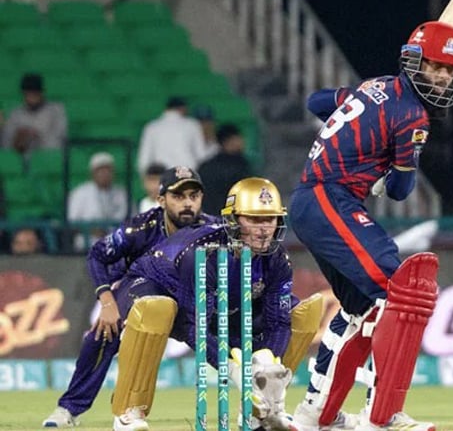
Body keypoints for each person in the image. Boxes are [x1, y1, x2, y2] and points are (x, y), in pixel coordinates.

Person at [287, 20, 453, 431]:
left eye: (450, 70)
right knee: (400, 292)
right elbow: (402, 190)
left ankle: (317, 413)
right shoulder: (412, 117)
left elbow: (317, 101)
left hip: (316, 201)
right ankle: (381, 415)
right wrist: (387, 171)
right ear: (415, 63)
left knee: (363, 308)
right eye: (436, 66)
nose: (444, 77)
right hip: (329, 197)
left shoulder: (376, 87)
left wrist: (362, 132)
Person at [108, 177, 320, 431]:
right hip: (154, 287)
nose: (264, 229)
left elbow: (278, 323)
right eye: (254, 219)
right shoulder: (204, 255)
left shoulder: (277, 260)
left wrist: (269, 365)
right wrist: (235, 370)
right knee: (158, 309)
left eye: (270, 219)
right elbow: (193, 328)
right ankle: (129, 410)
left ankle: (265, 407)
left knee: (300, 314)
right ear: (233, 220)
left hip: (222, 303)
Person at [43, 166, 217, 428]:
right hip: (141, 293)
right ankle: (69, 409)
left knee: (227, 334)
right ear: (161, 200)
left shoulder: (214, 228)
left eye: (194, 196)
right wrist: (107, 302)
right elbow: (97, 255)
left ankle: (258, 402)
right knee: (103, 333)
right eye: (178, 196)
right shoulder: (142, 227)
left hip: (191, 300)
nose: (187, 203)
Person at [67, 152, 129, 251]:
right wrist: (92, 230)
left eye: (108, 170)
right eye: (100, 170)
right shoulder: (80, 193)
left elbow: (131, 219)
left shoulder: (122, 193)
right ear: (92, 173)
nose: (105, 174)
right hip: (87, 241)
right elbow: (72, 221)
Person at [136, 96, 208, 176]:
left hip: (162, 174)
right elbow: (201, 155)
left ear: (166, 109)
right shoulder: (192, 125)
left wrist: (146, 177)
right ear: (183, 108)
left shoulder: (152, 127)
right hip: (187, 173)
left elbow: (144, 159)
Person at [1, 72, 67, 153]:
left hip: (49, 157)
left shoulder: (56, 110)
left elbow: (59, 141)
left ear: (41, 93)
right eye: (27, 94)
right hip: (20, 158)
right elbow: (6, 144)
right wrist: (17, 140)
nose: (31, 98)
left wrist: (36, 137)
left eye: (34, 94)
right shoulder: (16, 114)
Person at [198, 122, 253, 215]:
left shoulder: (206, 166)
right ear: (229, 141)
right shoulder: (240, 165)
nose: (242, 142)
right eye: (238, 139)